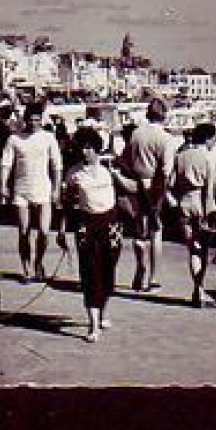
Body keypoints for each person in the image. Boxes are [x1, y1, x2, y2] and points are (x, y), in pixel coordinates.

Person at [58, 126, 140, 342]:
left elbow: (133, 188)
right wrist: (62, 229)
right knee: (90, 273)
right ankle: (93, 325)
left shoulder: (110, 166)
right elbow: (66, 205)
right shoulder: (73, 173)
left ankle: (103, 311)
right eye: (82, 148)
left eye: (89, 147)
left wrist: (118, 177)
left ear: (96, 148)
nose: (85, 152)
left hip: (111, 224)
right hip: (86, 225)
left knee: (108, 270)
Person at [119, 98, 180, 292]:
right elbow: (166, 171)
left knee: (139, 232)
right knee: (156, 232)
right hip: (155, 185)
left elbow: (126, 160)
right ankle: (154, 277)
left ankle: (140, 267)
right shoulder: (167, 139)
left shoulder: (136, 134)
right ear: (164, 116)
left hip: (135, 184)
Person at [0, 105, 63, 282]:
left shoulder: (48, 138)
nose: (34, 123)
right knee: (23, 231)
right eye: (31, 120)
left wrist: (57, 188)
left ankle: (38, 262)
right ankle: (26, 268)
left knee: (44, 231)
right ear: (25, 120)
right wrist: (3, 184)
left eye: (37, 120)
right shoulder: (14, 139)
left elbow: (57, 165)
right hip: (21, 189)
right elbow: (6, 164)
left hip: (43, 188)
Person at [167, 122, 216, 306]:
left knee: (192, 249)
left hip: (184, 203)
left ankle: (198, 288)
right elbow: (209, 189)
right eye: (214, 138)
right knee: (202, 248)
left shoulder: (180, 156)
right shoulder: (208, 158)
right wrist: (209, 214)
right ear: (208, 138)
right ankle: (200, 287)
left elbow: (170, 183)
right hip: (201, 203)